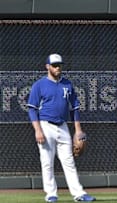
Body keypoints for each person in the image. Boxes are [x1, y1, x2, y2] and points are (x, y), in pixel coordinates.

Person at [27, 54, 96, 203]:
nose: (58, 67)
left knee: (69, 161)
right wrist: (37, 130)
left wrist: (78, 131)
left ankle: (79, 194)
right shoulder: (39, 85)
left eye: (59, 65)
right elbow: (32, 109)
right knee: (47, 162)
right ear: (47, 66)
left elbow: (74, 108)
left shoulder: (67, 84)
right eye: (54, 65)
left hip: (63, 126)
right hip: (45, 125)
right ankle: (51, 194)